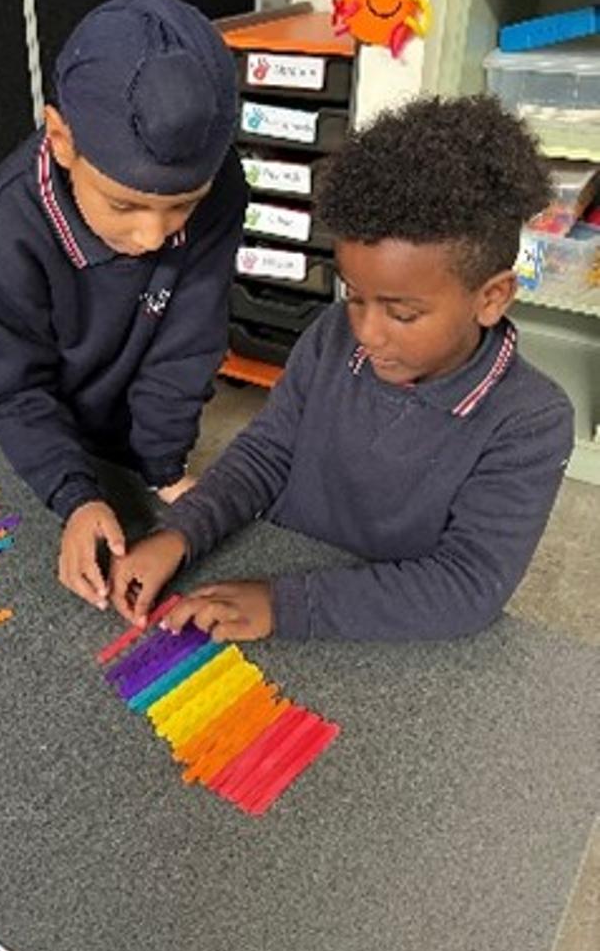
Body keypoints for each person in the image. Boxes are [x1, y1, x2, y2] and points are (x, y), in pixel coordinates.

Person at [109, 95, 574, 643]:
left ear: (491, 297)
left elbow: (466, 586)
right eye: (354, 296)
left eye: (402, 314)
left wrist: (286, 606)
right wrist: (181, 533)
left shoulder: (530, 421)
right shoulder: (333, 334)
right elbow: (266, 454)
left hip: (376, 627)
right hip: (277, 561)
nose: (368, 332)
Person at [0, 0, 246, 609]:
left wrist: (163, 467)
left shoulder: (220, 188)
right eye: (124, 204)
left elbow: (188, 340)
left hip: (134, 433)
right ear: (61, 139)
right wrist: (74, 494)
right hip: (37, 435)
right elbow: (11, 391)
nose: (154, 236)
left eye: (182, 206)